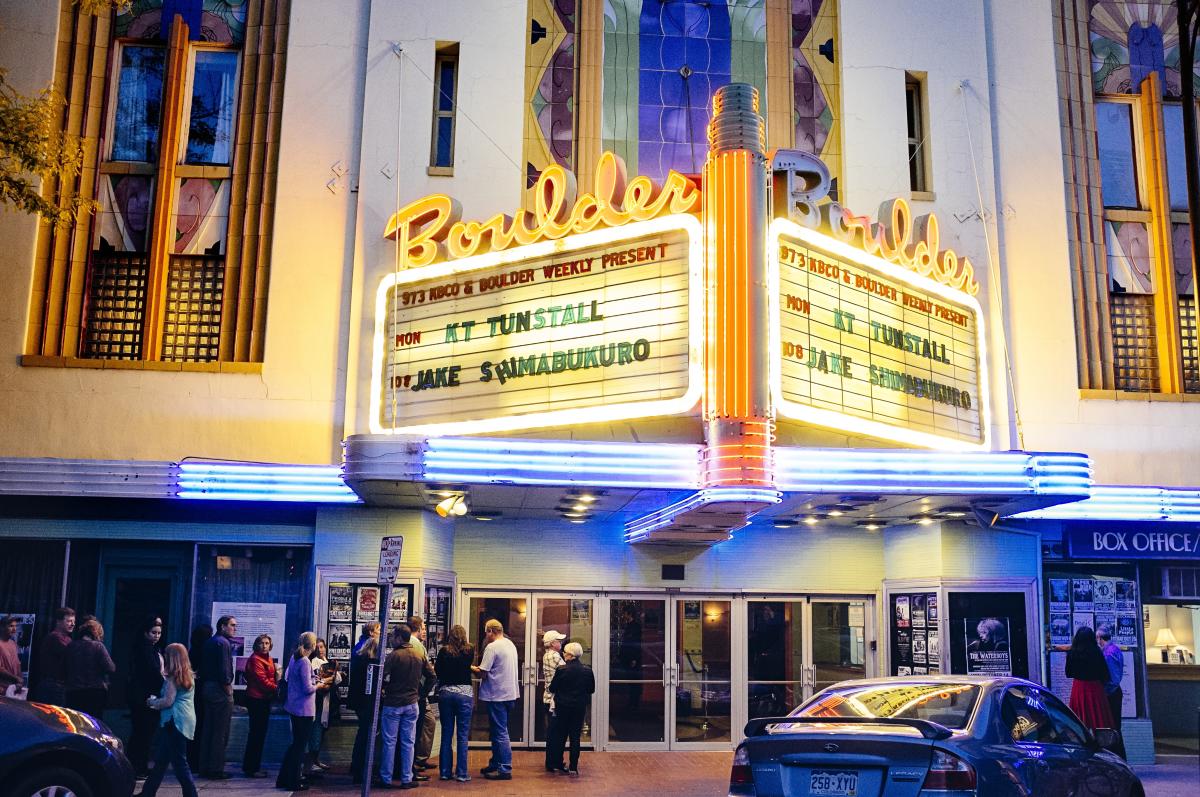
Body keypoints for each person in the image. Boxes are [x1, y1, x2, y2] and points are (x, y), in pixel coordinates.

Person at [136, 643, 199, 797]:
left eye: (166, 655)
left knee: (180, 763)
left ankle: (191, 795)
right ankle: (147, 793)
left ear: (172, 658)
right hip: (184, 720)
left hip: (174, 720)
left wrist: (152, 702)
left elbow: (168, 701)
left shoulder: (172, 678)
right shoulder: (188, 675)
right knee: (161, 761)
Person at [379, 624, 434, 790]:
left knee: (389, 742)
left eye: (393, 636)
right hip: (412, 703)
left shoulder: (394, 656)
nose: (391, 639)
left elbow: (382, 678)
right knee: (408, 742)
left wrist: (384, 690)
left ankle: (386, 778)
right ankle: (406, 778)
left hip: (394, 703)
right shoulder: (419, 654)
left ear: (399, 638)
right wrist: (421, 693)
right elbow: (432, 676)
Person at [277, 632, 326, 791]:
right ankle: (294, 780)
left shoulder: (294, 657)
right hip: (303, 709)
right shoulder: (305, 661)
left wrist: (314, 679)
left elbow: (296, 680)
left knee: (295, 746)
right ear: (312, 645)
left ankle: (284, 778)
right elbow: (307, 689)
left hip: (293, 706)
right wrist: (318, 685)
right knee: (299, 747)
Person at [472, 618, 519, 781]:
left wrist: (468, 666)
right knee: (498, 730)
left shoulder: (492, 647)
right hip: (509, 693)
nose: (486, 635)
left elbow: (483, 672)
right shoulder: (509, 644)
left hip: (496, 694)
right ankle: (496, 763)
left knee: (499, 732)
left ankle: (504, 768)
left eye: (486, 632)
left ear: (491, 631)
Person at [197, 615, 238, 779]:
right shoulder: (223, 643)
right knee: (221, 731)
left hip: (208, 687)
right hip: (219, 690)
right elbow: (224, 670)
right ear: (222, 626)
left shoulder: (211, 642)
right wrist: (228, 688)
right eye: (232, 625)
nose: (234, 628)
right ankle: (215, 769)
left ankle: (205, 766)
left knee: (209, 729)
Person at [547, 642, 595, 777]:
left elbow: (552, 688)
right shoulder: (587, 670)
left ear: (570, 655)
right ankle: (573, 766)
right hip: (579, 707)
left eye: (565, 653)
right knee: (575, 737)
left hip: (562, 707)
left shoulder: (561, 670)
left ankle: (558, 763)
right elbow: (591, 689)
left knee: (561, 735)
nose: (563, 654)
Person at [434, 624, 474, 782]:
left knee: (446, 734)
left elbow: (437, 670)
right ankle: (462, 773)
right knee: (462, 736)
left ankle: (445, 772)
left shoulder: (444, 651)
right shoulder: (469, 650)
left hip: (446, 693)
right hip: (464, 693)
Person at [127, 616, 166, 776]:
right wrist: (163, 684)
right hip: (146, 696)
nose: (156, 636)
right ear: (145, 633)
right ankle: (138, 766)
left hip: (144, 695)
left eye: (159, 633)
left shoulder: (150, 648)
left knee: (142, 733)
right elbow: (151, 673)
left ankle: (137, 765)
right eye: (153, 632)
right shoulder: (145, 649)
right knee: (143, 733)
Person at [242, 634, 279, 778]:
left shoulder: (267, 658)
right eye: (262, 643)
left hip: (264, 699)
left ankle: (253, 766)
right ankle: (251, 768)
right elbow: (261, 680)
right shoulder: (255, 659)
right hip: (256, 699)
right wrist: (277, 688)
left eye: (267, 643)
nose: (264, 646)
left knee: (259, 734)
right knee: (256, 734)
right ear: (256, 645)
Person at [1066, 626, 1114, 731]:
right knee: (1098, 720)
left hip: (1079, 687)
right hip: (1095, 688)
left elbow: (1068, 673)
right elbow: (1104, 674)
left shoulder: (1072, 652)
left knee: (1080, 720)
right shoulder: (1096, 652)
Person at [65, 618, 115, 718]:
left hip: (73, 692)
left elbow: (64, 668)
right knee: (93, 723)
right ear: (97, 633)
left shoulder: (71, 646)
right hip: (94, 692)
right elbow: (110, 668)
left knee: (76, 722)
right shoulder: (98, 646)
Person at [406, 616, 437, 774]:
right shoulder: (416, 645)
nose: (425, 631)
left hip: (416, 692)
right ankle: (415, 762)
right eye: (423, 628)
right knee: (418, 728)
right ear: (417, 628)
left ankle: (419, 759)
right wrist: (423, 692)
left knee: (428, 723)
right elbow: (427, 672)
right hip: (417, 692)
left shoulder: (414, 644)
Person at [307, 638, 341, 776]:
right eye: (318, 647)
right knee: (316, 732)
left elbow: (337, 678)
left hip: (326, 701)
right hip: (318, 701)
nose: (321, 649)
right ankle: (311, 762)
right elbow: (332, 678)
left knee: (321, 731)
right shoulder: (315, 662)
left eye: (322, 647)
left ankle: (315, 760)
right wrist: (331, 677)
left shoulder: (326, 661)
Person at [349, 634, 380, 785]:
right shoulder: (371, 664)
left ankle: (356, 767)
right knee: (365, 736)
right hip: (366, 704)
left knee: (362, 733)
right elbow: (370, 688)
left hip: (358, 703)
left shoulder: (359, 661)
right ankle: (361, 770)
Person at [32, 606, 75, 704]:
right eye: (69, 621)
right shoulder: (55, 637)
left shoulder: (67, 639)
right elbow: (72, 655)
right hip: (53, 686)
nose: (73, 624)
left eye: (73, 621)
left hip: (58, 686)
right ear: (59, 621)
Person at [1097, 624, 1127, 758]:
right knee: (1115, 726)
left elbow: (1113, 679)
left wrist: (1105, 692)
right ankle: (1119, 756)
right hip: (1115, 692)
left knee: (1112, 727)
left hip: (1112, 694)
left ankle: (1118, 757)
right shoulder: (1115, 649)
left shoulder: (1108, 653)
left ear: (1099, 638)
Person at [185, 623, 212, 770]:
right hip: (199, 691)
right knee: (199, 725)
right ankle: (195, 760)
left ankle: (193, 759)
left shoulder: (193, 650)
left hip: (193, 692)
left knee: (195, 727)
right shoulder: (202, 651)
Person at [541, 630, 566, 771]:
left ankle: (554, 761)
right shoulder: (554, 656)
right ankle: (553, 762)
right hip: (553, 699)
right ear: (551, 644)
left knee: (554, 732)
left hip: (551, 698)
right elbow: (564, 673)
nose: (560, 643)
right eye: (558, 641)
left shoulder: (550, 655)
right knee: (555, 732)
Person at [0, 615, 24, 695]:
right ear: (2, 627)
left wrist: (20, 679)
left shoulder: (13, 643)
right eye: (11, 626)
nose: (14, 629)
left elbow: (17, 664)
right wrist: (16, 678)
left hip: (13, 690)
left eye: (15, 626)